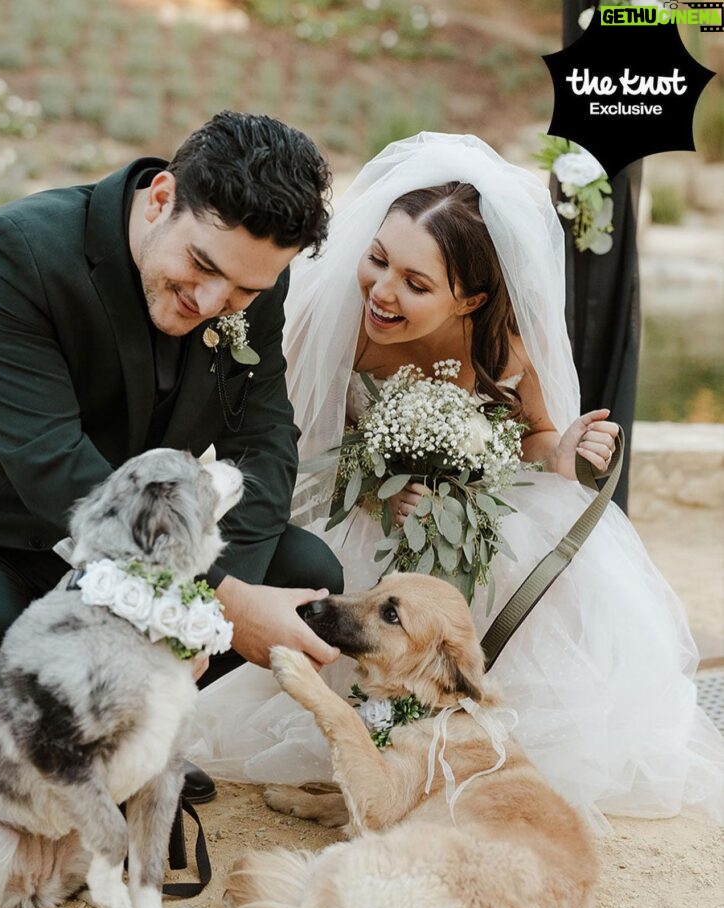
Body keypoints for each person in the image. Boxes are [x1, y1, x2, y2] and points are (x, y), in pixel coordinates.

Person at [188, 133, 724, 833]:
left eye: (415, 284)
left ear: (470, 297)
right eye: (377, 260)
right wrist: (376, 490)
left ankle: (460, 720)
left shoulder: (500, 345)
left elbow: (532, 436)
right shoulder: (339, 328)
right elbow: (287, 446)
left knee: (533, 545)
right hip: (349, 500)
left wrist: (561, 454)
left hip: (466, 503)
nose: (382, 290)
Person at [0, 111, 346, 862]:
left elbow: (265, 442)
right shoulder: (12, 250)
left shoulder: (248, 285)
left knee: (307, 575)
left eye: (241, 291)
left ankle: (118, 742)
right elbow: (52, 464)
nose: (211, 303)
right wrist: (218, 609)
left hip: (137, 541)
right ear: (159, 197)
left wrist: (213, 595)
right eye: (200, 268)